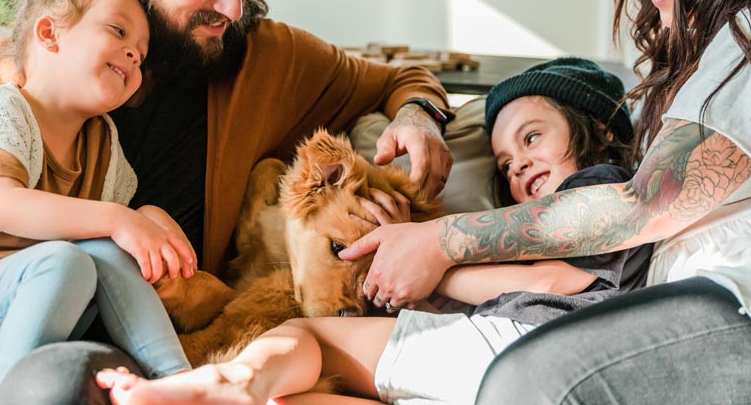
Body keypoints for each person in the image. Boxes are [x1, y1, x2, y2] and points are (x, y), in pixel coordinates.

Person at [0, 0, 453, 391]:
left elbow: (403, 79)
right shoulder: (24, 72)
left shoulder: (268, 58)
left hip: (165, 348)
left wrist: (421, 117)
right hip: (17, 327)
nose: (233, 3)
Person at [352, 0, 751, 403]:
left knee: (527, 381)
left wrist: (443, 240)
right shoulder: (746, 36)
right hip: (716, 305)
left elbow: (649, 203)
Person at [93, 57, 654, 404]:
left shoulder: (601, 186)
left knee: (304, 337)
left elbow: (559, 283)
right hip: (496, 347)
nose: (517, 166)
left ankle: (228, 384)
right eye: (504, 163)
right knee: (304, 392)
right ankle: (227, 393)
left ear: (598, 129)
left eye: (531, 138)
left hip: (534, 344)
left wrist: (436, 263)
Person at [0, 0, 195, 404]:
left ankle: (178, 383)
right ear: (49, 34)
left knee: (102, 251)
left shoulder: (102, 140)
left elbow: (109, 241)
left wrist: (146, 221)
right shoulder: (4, 107)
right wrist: (117, 217)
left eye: (140, 56)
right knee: (64, 260)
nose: (132, 55)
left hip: (55, 302)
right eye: (117, 31)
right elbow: (3, 206)